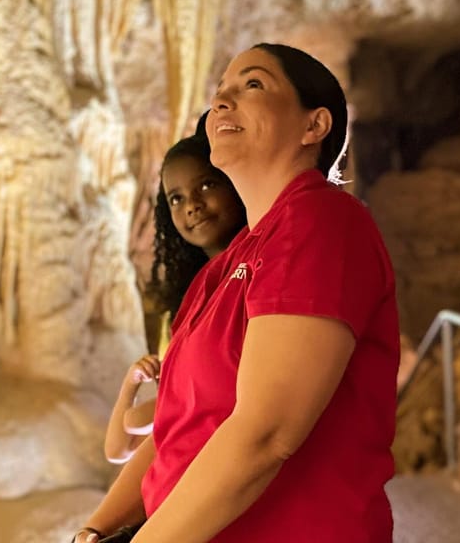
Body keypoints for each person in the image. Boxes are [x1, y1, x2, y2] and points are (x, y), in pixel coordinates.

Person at [72, 43, 400, 543]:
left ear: (314, 126)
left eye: (252, 84)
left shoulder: (322, 221)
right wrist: (95, 530)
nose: (222, 101)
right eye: (220, 91)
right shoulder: (221, 270)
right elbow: (174, 432)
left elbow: (267, 434)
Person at [103, 132, 247, 464]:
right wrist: (131, 384)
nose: (193, 205)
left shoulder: (253, 277)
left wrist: (154, 410)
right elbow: (118, 450)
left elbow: (145, 421)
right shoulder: (192, 302)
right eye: (176, 198)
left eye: (207, 186)